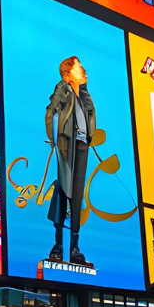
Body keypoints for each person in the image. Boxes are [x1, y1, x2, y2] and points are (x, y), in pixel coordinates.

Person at [44, 56, 95, 267]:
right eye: (78, 67)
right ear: (67, 74)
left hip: (82, 145)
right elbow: (51, 112)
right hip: (67, 145)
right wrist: (56, 141)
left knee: (77, 195)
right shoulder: (63, 89)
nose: (83, 70)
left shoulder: (82, 94)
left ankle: (74, 247)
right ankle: (58, 245)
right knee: (63, 191)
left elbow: (91, 115)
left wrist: (84, 88)